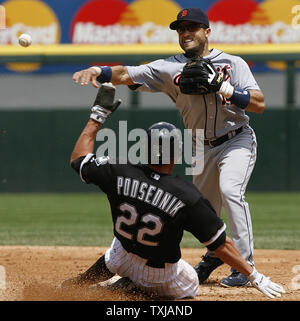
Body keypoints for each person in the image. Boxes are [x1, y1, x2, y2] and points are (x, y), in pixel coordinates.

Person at [72, 7, 265, 287]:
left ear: (207, 31)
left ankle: (245, 267)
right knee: (206, 208)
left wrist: (224, 88)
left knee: (230, 191)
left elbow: (259, 103)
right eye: (181, 29)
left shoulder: (233, 64)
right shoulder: (168, 68)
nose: (186, 33)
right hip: (201, 145)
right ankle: (214, 255)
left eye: (192, 27)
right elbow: (127, 73)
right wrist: (98, 71)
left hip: (236, 138)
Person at [61, 83, 284, 300]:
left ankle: (77, 285)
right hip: (157, 275)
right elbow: (220, 244)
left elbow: (78, 160)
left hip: (120, 258)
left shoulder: (118, 170)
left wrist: (97, 117)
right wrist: (255, 276)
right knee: (191, 284)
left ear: (144, 148)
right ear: (177, 154)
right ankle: (128, 290)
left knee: (118, 251)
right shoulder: (187, 195)